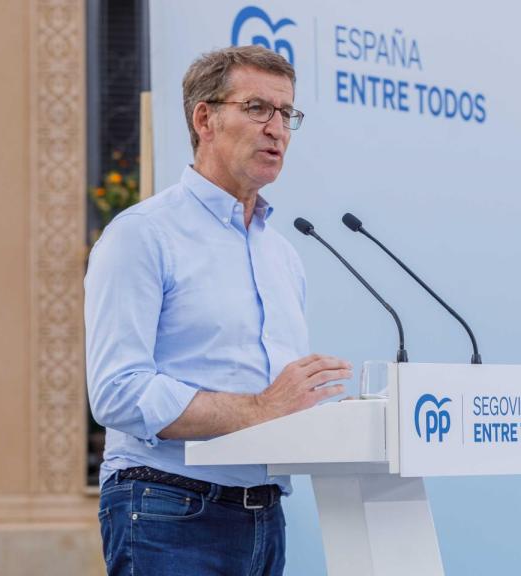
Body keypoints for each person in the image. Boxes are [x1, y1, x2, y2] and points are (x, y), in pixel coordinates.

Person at [85, 46, 351, 575]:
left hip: (264, 516)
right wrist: (259, 408)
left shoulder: (283, 254)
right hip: (168, 510)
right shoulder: (143, 235)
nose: (277, 129)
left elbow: (277, 400)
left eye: (286, 113)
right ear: (203, 118)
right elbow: (117, 392)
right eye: (257, 108)